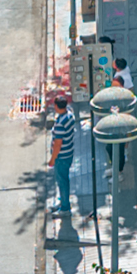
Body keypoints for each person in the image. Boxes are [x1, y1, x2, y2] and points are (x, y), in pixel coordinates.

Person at [47, 89, 78, 220]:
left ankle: (65, 208)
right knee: (63, 180)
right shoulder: (70, 115)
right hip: (69, 153)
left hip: (61, 157)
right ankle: (63, 202)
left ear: (56, 106)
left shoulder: (60, 123)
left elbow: (57, 144)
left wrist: (52, 159)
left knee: (62, 182)